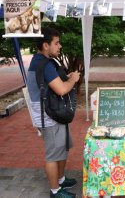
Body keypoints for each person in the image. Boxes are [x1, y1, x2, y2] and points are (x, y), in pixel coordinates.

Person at [27, 27, 80, 198]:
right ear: (45, 45)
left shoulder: (40, 61)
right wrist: (72, 80)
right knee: (53, 154)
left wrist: (67, 78)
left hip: (53, 112)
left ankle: (61, 179)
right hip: (49, 116)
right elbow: (62, 89)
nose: (60, 46)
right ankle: (55, 191)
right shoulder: (44, 64)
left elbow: (54, 84)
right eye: (56, 43)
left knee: (62, 147)